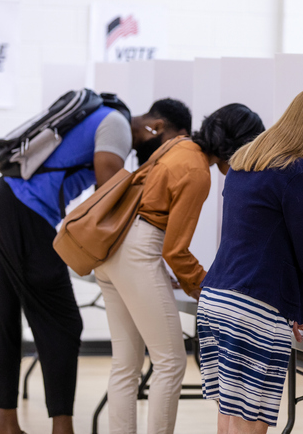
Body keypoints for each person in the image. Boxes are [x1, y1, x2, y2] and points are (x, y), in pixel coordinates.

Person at [0, 94, 189, 434]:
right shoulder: (118, 126)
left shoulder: (105, 117)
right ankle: (62, 427)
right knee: (64, 323)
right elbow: (107, 191)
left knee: (4, 313)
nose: (171, 154)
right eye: (172, 143)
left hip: (2, 200)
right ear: (158, 127)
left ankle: (8, 424)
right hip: (24, 210)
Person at [197, 86, 303, 434]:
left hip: (216, 302)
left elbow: (264, 246)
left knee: (229, 424)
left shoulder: (246, 160)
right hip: (254, 312)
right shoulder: (298, 174)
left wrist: (294, 311)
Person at [94, 103, 265, 434]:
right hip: (139, 252)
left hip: (113, 249)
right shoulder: (198, 172)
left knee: (125, 364)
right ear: (237, 145)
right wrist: (206, 290)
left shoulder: (178, 146)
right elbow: (175, 249)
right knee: (170, 363)